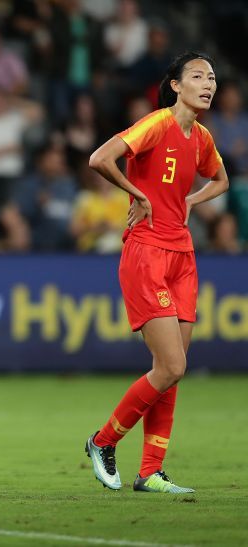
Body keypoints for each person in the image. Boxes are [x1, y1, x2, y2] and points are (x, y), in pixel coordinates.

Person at [86, 52, 229, 493]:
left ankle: (150, 471)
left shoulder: (201, 136)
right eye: (198, 76)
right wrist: (137, 194)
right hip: (147, 251)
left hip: (182, 255)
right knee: (171, 365)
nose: (208, 84)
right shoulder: (156, 124)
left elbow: (220, 180)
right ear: (175, 85)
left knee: (172, 370)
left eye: (212, 77)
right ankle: (102, 441)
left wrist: (189, 202)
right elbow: (99, 159)